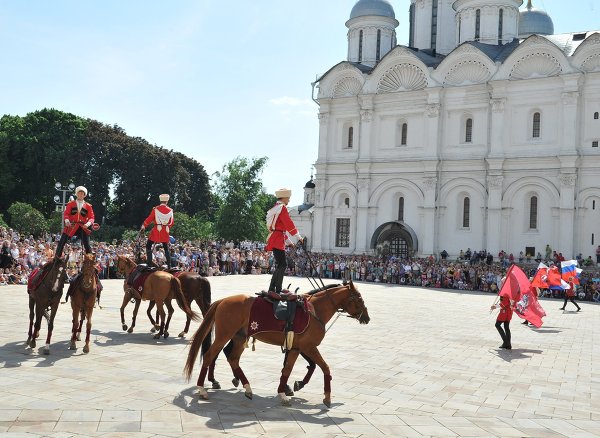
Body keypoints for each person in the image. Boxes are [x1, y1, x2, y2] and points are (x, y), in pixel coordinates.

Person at [265, 188, 303, 293]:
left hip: (278, 237)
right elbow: (288, 223)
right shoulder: (282, 208)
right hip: (277, 238)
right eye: (288, 198)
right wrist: (298, 236)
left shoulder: (277, 207)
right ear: (284, 197)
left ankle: (273, 288)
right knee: (282, 264)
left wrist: (290, 243)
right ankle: (276, 289)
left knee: (281, 264)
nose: (289, 200)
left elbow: (281, 230)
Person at [55, 186, 95, 258]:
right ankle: (56, 258)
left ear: (84, 195)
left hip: (83, 226)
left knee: (87, 245)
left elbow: (92, 217)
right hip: (72, 225)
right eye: (79, 193)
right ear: (76, 194)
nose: (80, 195)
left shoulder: (88, 206)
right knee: (62, 242)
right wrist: (67, 221)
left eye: (82, 193)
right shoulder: (71, 203)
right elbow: (66, 213)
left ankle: (90, 262)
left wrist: (88, 224)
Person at [141, 194, 174, 267]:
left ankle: (149, 263)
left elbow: (150, 218)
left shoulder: (155, 209)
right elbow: (171, 222)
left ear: (160, 200)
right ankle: (169, 264)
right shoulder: (170, 210)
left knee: (148, 246)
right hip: (165, 230)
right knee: (165, 247)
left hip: (156, 230)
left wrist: (144, 225)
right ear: (167, 201)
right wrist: (167, 226)